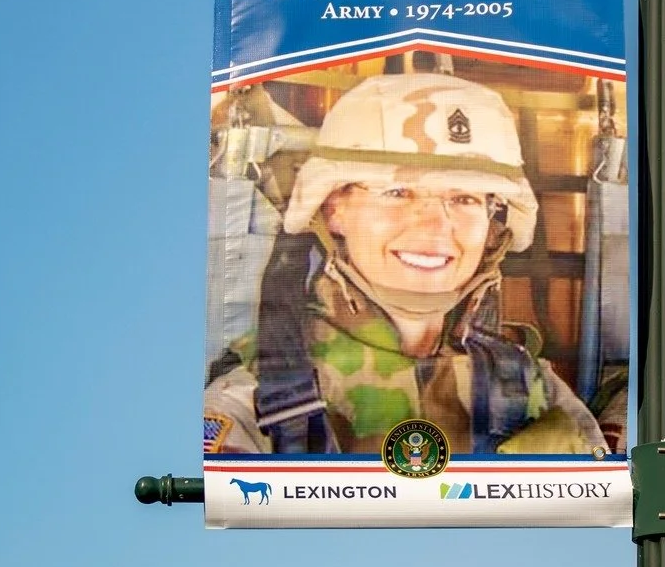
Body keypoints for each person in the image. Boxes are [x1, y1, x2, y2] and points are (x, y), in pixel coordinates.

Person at [203, 70, 608, 459]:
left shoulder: (534, 388)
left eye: (464, 199)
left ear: (494, 225)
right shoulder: (251, 399)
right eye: (397, 192)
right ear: (332, 209)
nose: (435, 226)